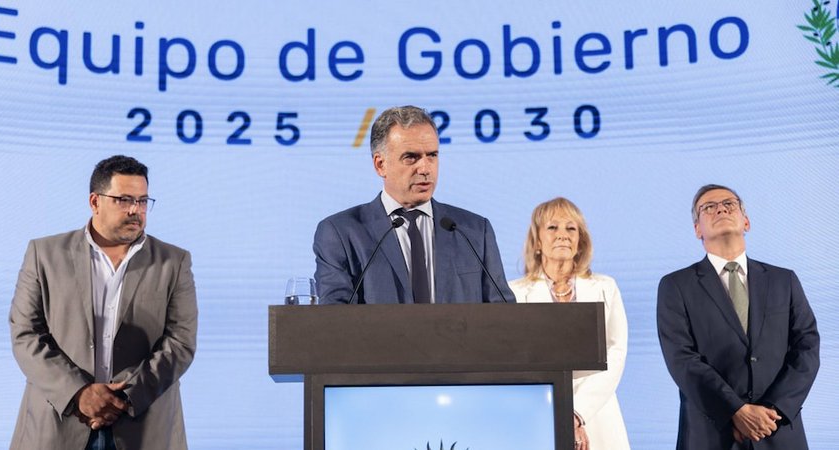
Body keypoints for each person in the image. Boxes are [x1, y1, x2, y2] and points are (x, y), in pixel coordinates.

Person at [9, 155, 198, 450]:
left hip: (144, 428)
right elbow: (26, 335)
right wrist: (79, 394)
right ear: (95, 202)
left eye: (143, 201)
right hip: (57, 426)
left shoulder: (174, 261)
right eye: (124, 200)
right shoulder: (44, 254)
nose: (135, 210)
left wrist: (124, 397)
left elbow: (181, 342)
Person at [657, 184, 819, 449]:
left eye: (729, 204)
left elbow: (807, 348)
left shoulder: (784, 280)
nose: (720, 209)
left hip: (777, 430)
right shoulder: (676, 286)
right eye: (708, 207)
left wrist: (772, 410)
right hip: (711, 434)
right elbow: (682, 359)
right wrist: (735, 410)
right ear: (697, 229)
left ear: (746, 222)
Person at [313, 105, 513, 304]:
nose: (425, 168)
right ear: (380, 165)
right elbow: (335, 316)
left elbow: (503, 312)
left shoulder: (474, 231)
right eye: (411, 157)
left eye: (432, 155)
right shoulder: (341, 233)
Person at [509, 197, 630, 450]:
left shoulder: (605, 287)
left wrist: (577, 414)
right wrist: (560, 411)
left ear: (580, 241)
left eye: (571, 228)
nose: (562, 235)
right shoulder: (514, 294)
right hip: (540, 411)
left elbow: (616, 352)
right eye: (552, 227)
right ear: (537, 241)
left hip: (598, 412)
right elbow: (515, 361)